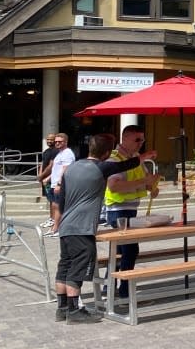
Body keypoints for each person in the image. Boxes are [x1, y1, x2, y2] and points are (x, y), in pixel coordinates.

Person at [53, 133, 157, 323]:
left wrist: (57, 222)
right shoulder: (102, 167)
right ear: (107, 153)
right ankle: (74, 311)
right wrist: (144, 157)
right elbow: (127, 164)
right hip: (83, 227)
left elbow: (61, 200)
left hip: (67, 225)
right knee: (77, 268)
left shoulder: (72, 168)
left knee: (65, 265)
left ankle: (62, 308)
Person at [103, 126, 161, 296]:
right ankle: (124, 291)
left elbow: (146, 182)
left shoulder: (136, 158)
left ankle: (110, 287)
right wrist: (144, 181)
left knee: (120, 251)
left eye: (143, 140)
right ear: (125, 138)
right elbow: (114, 186)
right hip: (117, 210)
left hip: (130, 211)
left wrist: (152, 186)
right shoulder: (114, 159)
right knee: (130, 250)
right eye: (137, 140)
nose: (141, 143)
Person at [46, 133, 76, 236]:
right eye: (56, 141)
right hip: (54, 184)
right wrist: (48, 178)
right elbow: (56, 169)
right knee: (55, 205)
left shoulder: (67, 153)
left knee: (59, 207)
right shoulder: (60, 153)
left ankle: (57, 229)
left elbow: (65, 170)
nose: (57, 143)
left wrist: (59, 184)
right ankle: (54, 227)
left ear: (66, 142)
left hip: (62, 185)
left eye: (60, 141)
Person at [37, 134, 58, 228]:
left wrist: (45, 176)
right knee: (49, 199)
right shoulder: (46, 151)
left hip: (51, 179)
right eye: (48, 139)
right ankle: (51, 218)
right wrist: (40, 175)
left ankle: (53, 219)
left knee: (53, 200)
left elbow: (51, 166)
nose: (49, 141)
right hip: (44, 179)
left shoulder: (56, 151)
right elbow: (43, 163)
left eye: (51, 139)